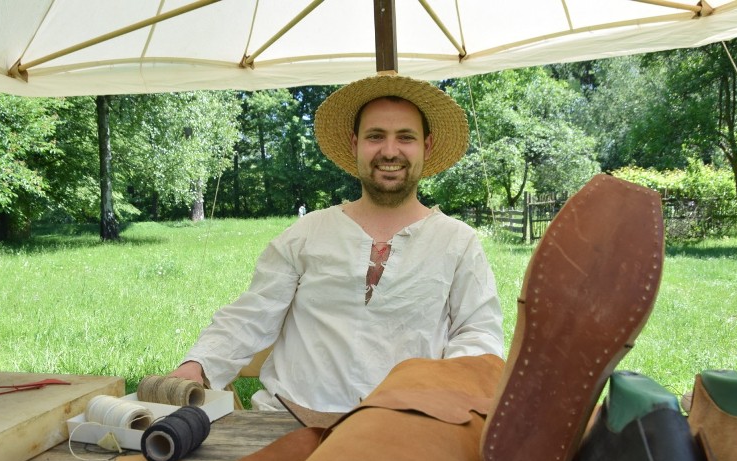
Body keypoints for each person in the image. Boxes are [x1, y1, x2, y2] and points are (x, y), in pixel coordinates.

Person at [167, 74, 503, 412]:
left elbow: (478, 334)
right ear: (355, 143)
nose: (389, 151)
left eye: (405, 137)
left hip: (403, 428)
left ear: (426, 146)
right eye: (375, 136)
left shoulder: (457, 242)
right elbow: (252, 315)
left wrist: (440, 394)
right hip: (288, 424)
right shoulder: (307, 234)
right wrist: (198, 365)